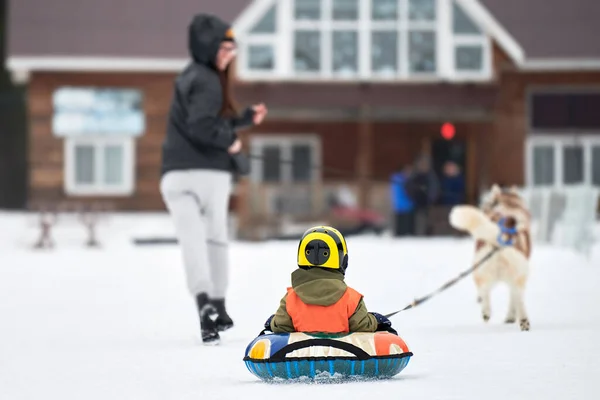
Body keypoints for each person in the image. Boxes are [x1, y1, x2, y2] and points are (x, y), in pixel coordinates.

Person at [160, 13, 267, 344]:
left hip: (176, 175)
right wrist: (233, 143)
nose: (229, 54)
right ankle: (217, 304)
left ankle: (206, 305)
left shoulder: (189, 77)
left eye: (232, 49)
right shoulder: (208, 80)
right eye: (224, 47)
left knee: (192, 239)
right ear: (207, 47)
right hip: (209, 175)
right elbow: (204, 126)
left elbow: (202, 121)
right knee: (215, 237)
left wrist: (243, 120)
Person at [263, 226, 397, 335]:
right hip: (343, 360)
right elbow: (363, 327)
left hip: (301, 361)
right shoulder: (351, 298)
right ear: (343, 261)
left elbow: (281, 327)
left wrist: (273, 322)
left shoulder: (290, 299)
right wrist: (375, 320)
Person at [406, 155, 440, 236]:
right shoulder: (414, 175)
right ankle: (418, 235)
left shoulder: (431, 176)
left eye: (425, 164)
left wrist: (431, 199)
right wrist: (414, 196)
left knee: (429, 221)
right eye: (421, 163)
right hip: (416, 202)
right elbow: (409, 187)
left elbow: (434, 188)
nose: (423, 165)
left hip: (428, 203)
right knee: (417, 221)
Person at [390, 165, 415, 236]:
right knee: (404, 228)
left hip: (398, 206)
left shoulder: (395, 180)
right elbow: (407, 193)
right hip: (405, 206)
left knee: (400, 227)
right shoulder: (403, 181)